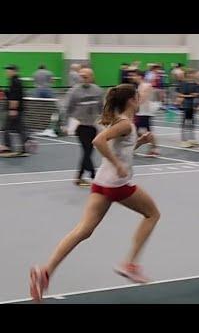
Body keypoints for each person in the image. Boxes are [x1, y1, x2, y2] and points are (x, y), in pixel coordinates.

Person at [29, 84, 161, 302]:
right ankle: (131, 264)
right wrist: (116, 163)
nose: (140, 100)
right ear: (131, 101)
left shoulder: (123, 123)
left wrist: (139, 143)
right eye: (138, 97)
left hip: (101, 182)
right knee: (153, 214)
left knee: (83, 230)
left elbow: (123, 150)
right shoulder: (125, 123)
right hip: (117, 184)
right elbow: (98, 141)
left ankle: (45, 271)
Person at [64, 68, 104, 187]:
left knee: (87, 152)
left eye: (86, 76)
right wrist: (65, 124)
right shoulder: (74, 91)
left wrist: (105, 123)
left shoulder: (98, 91)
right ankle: (95, 176)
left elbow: (102, 108)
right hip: (80, 126)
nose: (83, 79)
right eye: (81, 76)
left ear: (91, 77)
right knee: (87, 152)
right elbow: (67, 108)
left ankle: (79, 177)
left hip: (93, 126)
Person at [0, 65, 30, 157]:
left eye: (8, 70)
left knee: (7, 128)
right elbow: (12, 95)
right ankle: (24, 148)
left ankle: (7, 147)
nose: (7, 72)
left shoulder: (15, 81)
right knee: (20, 129)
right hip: (18, 109)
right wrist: (4, 91)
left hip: (15, 109)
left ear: (14, 71)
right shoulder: (14, 81)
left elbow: (15, 97)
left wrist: (13, 109)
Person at [130, 70, 160, 156]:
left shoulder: (146, 86)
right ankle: (153, 148)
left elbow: (142, 99)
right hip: (140, 112)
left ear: (140, 76)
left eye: (134, 75)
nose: (133, 77)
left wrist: (133, 107)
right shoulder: (140, 86)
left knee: (144, 132)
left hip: (144, 112)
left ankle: (154, 149)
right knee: (137, 131)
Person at [177, 69, 199, 147]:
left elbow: (197, 93)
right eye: (192, 73)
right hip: (186, 105)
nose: (194, 75)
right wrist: (190, 95)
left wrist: (195, 96)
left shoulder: (195, 83)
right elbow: (180, 95)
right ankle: (183, 140)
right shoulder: (184, 83)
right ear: (189, 74)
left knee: (192, 122)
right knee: (184, 122)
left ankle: (191, 139)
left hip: (193, 105)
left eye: (194, 73)